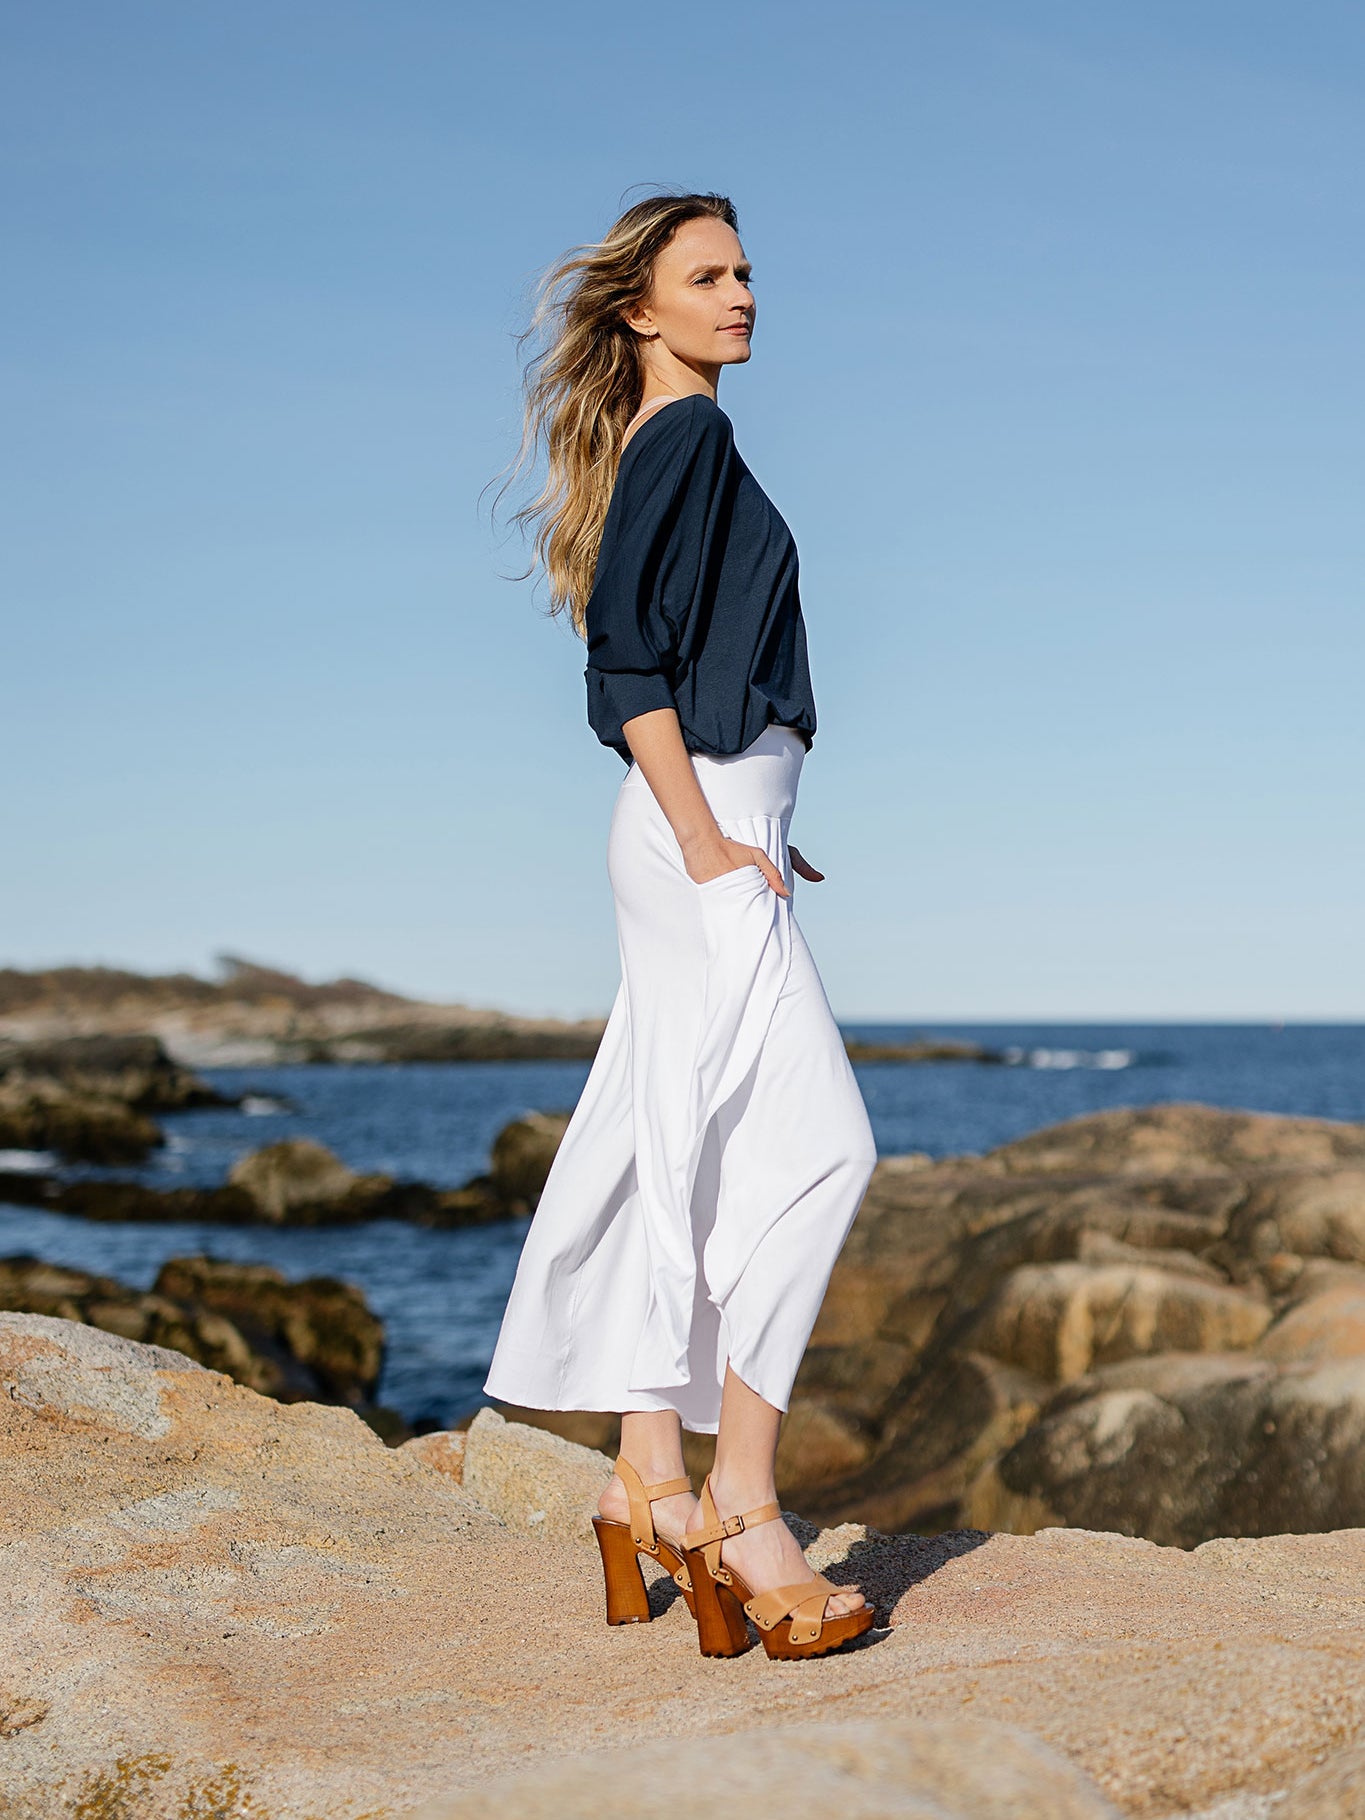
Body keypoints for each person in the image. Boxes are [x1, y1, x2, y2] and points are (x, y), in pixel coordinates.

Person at [484, 192, 878, 1660]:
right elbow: (624, 664)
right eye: (707, 276)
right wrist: (713, 833)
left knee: (671, 1136)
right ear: (640, 309)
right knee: (821, 1146)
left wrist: (763, 821)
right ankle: (744, 1503)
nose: (743, 293)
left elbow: (689, 661)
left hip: (717, 824)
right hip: (696, 826)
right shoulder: (688, 434)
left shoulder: (677, 438)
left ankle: (645, 1472)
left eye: (748, 271)